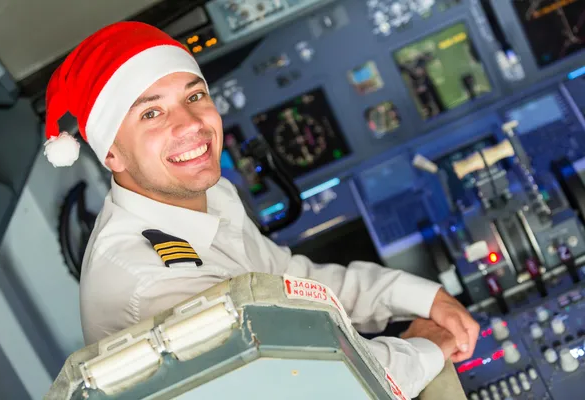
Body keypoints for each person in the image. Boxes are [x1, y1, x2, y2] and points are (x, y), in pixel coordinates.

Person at [43, 21, 479, 398]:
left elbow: (291, 285)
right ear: (111, 156)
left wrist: (417, 296)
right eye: (151, 113)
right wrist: (426, 349)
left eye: (194, 97)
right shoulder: (148, 280)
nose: (191, 125)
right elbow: (313, 387)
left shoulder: (207, 192)